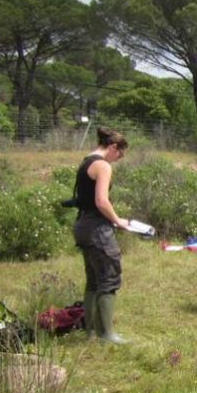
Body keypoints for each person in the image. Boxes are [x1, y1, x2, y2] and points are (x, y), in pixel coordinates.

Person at [72, 127, 130, 344]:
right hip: (97, 228)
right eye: (120, 154)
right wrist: (118, 220)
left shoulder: (86, 160)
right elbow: (101, 201)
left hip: (82, 225)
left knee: (93, 281)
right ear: (113, 147)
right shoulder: (103, 165)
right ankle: (106, 334)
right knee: (109, 276)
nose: (119, 159)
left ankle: (90, 331)